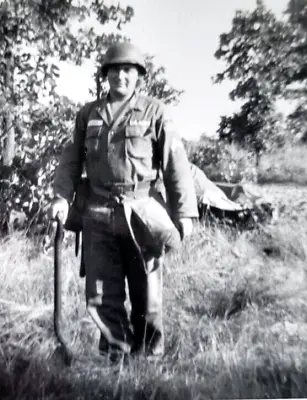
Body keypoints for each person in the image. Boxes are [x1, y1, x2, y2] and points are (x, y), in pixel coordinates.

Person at [48, 42, 199, 362]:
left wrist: (184, 213)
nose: (121, 76)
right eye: (114, 70)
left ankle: (147, 359)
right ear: (105, 75)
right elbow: (71, 159)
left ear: (139, 76)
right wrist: (61, 198)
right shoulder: (88, 113)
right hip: (98, 212)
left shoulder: (155, 111)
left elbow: (176, 163)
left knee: (149, 294)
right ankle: (115, 356)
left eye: (128, 70)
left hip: (142, 210)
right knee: (102, 293)